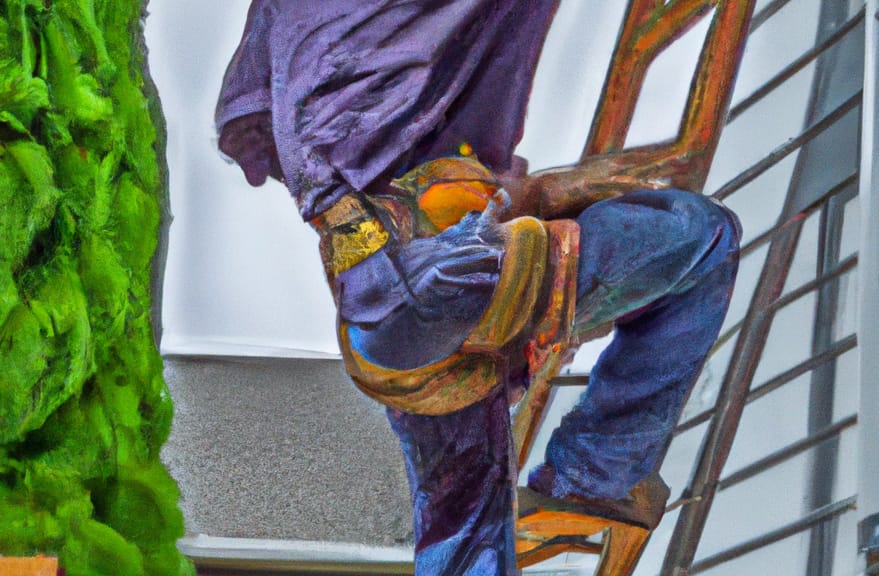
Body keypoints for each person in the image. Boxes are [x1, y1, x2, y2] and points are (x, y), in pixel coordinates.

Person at [216, 1, 740, 574]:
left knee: (465, 537)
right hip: (445, 276)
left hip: (384, 315)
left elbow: (250, 119)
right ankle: (595, 477)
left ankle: (589, 481)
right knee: (703, 236)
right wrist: (542, 193)